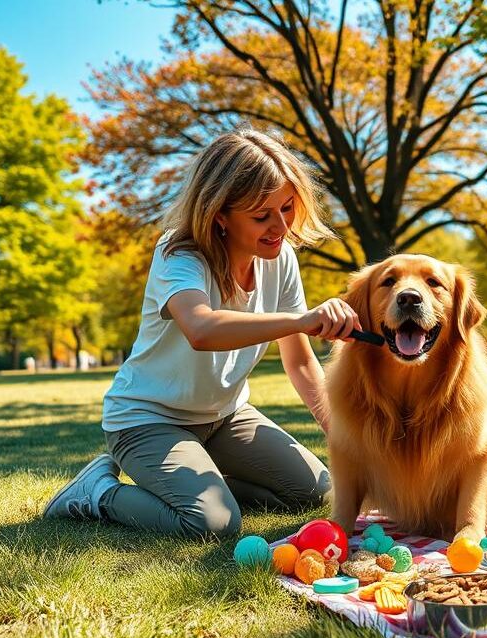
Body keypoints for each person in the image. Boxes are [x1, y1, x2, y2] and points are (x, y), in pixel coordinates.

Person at [43, 129, 361, 539]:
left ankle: (201, 480)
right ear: (219, 215)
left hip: (225, 418)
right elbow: (201, 328)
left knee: (319, 492)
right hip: (147, 421)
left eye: (287, 208)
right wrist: (302, 319)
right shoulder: (179, 253)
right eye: (262, 216)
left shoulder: (279, 257)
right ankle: (98, 491)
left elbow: (299, 360)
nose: (280, 227)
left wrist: (339, 431)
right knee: (213, 523)